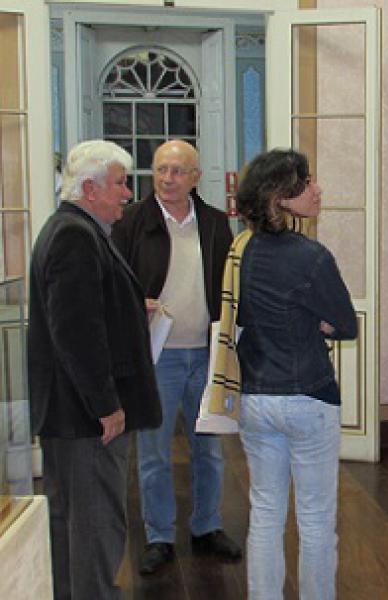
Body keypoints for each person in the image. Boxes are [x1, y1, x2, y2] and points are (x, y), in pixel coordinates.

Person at [28, 139, 162, 599]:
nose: (128, 194)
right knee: (94, 525)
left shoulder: (73, 229)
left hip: (71, 415)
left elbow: (87, 311)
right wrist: (106, 405)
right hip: (84, 418)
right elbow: (77, 333)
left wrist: (130, 308)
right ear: (90, 188)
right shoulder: (75, 236)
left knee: (74, 524)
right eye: (120, 184)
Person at [110, 139, 240, 575]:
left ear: (195, 177)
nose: (167, 178)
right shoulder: (132, 221)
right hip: (157, 356)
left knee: (210, 450)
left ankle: (207, 527)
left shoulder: (216, 224)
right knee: (153, 453)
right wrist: (136, 303)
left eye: (178, 170)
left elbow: (229, 285)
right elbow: (113, 283)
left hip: (205, 355)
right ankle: (159, 536)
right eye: (161, 169)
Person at [235, 149, 357, 599]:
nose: (316, 190)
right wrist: (318, 321)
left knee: (265, 513)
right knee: (316, 519)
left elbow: (236, 316)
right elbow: (346, 324)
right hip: (308, 394)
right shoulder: (312, 257)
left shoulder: (240, 252)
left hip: (255, 395)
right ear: (279, 198)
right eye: (306, 183)